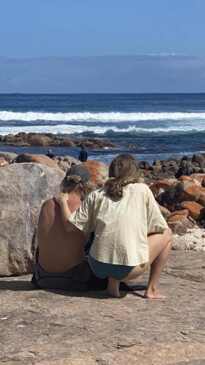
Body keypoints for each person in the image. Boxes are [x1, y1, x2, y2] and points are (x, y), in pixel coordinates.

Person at [58, 154, 172, 299]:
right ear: (133, 172)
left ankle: (112, 286)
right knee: (167, 233)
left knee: (113, 239)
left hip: (97, 266)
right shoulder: (142, 190)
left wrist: (63, 202)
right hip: (129, 270)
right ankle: (151, 289)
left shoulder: (96, 194)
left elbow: (70, 227)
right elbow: (158, 227)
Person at [32, 164, 107, 291]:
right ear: (85, 185)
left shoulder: (46, 205)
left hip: (42, 278)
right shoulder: (85, 207)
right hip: (73, 279)